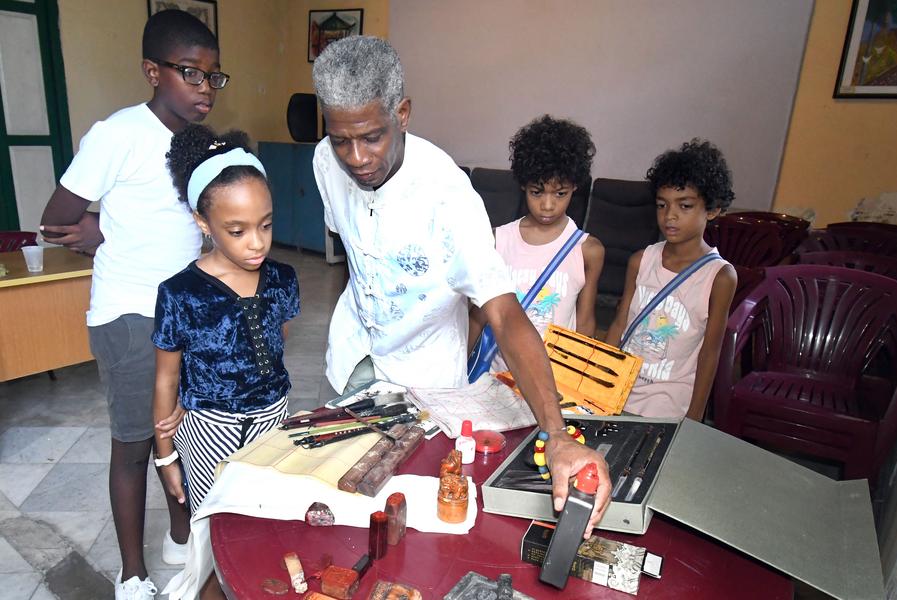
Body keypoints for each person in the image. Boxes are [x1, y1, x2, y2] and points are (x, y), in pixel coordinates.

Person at [312, 36, 611, 532]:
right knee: (344, 506)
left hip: (427, 384)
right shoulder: (325, 161)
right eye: (342, 139)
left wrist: (555, 433)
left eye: (372, 137)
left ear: (402, 113)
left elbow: (503, 311)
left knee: (413, 517)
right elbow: (355, 251)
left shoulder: (450, 200)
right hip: (355, 359)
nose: (357, 157)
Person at [39, 10, 226, 598]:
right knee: (136, 442)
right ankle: (132, 572)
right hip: (129, 313)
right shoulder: (118, 133)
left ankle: (177, 534)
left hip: (185, 311)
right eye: (191, 74)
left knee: (185, 431)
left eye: (214, 78)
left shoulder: (201, 144)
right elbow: (54, 220)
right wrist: (101, 231)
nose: (204, 89)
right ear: (153, 71)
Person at [152, 124, 299, 516]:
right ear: (204, 222)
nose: (257, 242)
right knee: (216, 519)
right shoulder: (180, 293)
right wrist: (165, 458)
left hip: (273, 418)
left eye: (266, 224)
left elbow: (275, 341)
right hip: (207, 430)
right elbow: (166, 377)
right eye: (237, 230)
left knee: (268, 512)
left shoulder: (282, 278)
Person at [605, 139, 737, 421]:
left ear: (712, 209)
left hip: (668, 406)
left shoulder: (719, 277)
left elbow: (710, 353)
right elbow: (620, 322)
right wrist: (599, 377)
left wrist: (695, 416)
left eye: (685, 206)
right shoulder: (641, 260)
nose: (670, 216)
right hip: (619, 394)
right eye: (662, 205)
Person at [469, 115, 605, 372]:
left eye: (560, 193)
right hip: (498, 378)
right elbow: (478, 315)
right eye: (537, 191)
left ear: (575, 187)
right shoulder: (499, 240)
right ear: (523, 185)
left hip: (554, 383)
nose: (547, 205)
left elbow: (585, 323)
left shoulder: (588, 250)